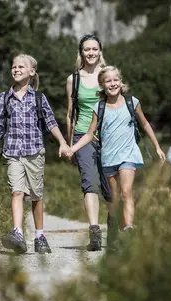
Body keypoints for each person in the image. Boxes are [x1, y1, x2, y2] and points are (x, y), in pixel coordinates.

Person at [66, 66, 166, 248]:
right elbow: (89, 134)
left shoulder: (132, 102)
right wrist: (73, 148)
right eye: (108, 81)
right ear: (102, 85)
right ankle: (115, 229)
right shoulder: (99, 107)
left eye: (115, 80)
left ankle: (128, 227)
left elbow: (145, 124)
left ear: (121, 82)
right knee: (114, 199)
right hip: (108, 157)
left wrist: (157, 146)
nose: (112, 84)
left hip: (128, 154)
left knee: (126, 191)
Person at [0, 54, 70, 254]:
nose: (16, 69)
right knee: (17, 192)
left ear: (31, 72)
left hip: (34, 153)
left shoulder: (38, 98)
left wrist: (63, 143)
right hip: (13, 153)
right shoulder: (5, 98)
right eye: (14, 66)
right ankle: (18, 233)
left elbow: (50, 123)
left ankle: (40, 235)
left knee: (36, 196)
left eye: (21, 66)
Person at [65, 34, 111, 251]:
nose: (91, 53)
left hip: (110, 137)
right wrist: (70, 145)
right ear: (81, 52)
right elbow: (69, 115)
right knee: (89, 183)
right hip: (83, 136)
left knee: (111, 188)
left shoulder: (109, 75)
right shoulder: (73, 79)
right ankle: (94, 231)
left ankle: (115, 231)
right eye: (87, 49)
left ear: (100, 50)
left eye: (94, 49)